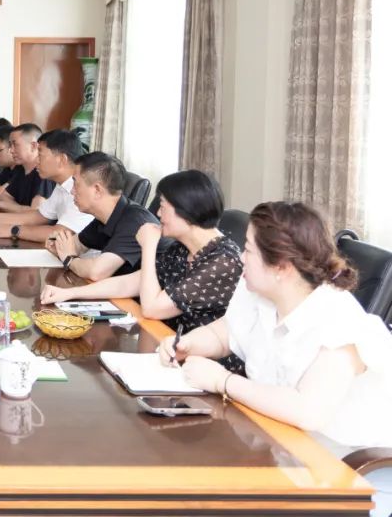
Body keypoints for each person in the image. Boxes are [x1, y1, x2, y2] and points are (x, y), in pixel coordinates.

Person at [159, 202, 392, 514]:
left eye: (248, 250)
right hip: (281, 447)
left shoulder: (338, 320)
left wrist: (222, 381)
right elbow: (225, 333)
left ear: (281, 267)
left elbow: (308, 412)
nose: (241, 258)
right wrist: (188, 344)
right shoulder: (258, 290)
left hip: (352, 473)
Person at [41, 170, 243, 373]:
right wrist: (70, 293)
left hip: (205, 368)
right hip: (166, 345)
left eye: (163, 207)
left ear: (186, 210)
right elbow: (132, 282)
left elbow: (152, 308)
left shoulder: (223, 261)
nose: (158, 214)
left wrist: (149, 246)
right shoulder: (183, 248)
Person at [45, 151, 158, 281]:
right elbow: (77, 245)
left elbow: (96, 272)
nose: (72, 191)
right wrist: (59, 244)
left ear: (97, 190)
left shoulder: (135, 221)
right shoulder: (105, 217)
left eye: (76, 184)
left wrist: (69, 258)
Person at [0, 129, 93, 242]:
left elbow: (60, 233)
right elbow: (39, 216)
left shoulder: (83, 189)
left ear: (61, 160)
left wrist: (14, 230)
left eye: (40, 155)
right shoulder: (61, 186)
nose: (37, 161)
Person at [0, 123, 55, 212]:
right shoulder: (20, 169)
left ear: (33, 146)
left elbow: (35, 213)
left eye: (15, 145)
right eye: (10, 145)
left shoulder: (44, 173)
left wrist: (3, 205)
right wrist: (20, 209)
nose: (11, 150)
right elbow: (3, 197)